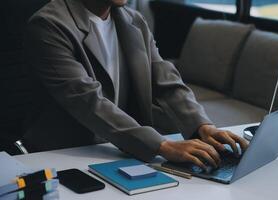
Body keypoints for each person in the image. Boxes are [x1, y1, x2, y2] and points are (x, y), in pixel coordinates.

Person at [23, 0, 247, 170]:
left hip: (123, 149)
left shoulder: (134, 20)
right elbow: (88, 102)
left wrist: (202, 126)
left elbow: (166, 81)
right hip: (69, 155)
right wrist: (163, 146)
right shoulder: (48, 25)